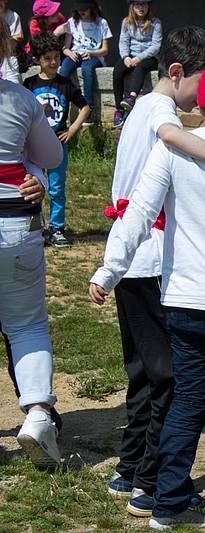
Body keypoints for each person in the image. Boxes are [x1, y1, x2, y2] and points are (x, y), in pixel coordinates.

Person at [90, 59, 205, 531]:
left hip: (186, 299)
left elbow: (136, 214)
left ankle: (169, 503)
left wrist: (109, 271)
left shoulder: (169, 152)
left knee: (187, 403)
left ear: (201, 106)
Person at [0, 29, 64, 469]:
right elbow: (52, 157)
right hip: (14, 222)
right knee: (26, 324)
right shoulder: (21, 100)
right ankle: (39, 413)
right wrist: (33, 173)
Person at [24, 31, 91, 247]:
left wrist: (72, 129)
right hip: (33, 146)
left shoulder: (65, 83)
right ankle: (34, 228)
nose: (53, 62)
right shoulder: (29, 84)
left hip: (57, 146)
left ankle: (56, 228)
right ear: (37, 59)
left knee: (56, 189)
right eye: (48, 58)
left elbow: (85, 107)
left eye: (56, 57)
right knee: (33, 187)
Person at [112, 0, 162, 128]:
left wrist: (139, 58)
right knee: (117, 71)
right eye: (137, 5)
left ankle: (131, 97)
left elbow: (155, 46)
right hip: (130, 56)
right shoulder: (126, 22)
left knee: (141, 68)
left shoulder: (155, 23)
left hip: (149, 57)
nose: (141, 8)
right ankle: (119, 109)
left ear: (148, 6)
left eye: (144, 4)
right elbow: (123, 42)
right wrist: (125, 57)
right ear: (132, 7)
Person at [58, 0, 111, 118]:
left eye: (84, 9)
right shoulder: (72, 22)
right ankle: (61, 102)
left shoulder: (102, 23)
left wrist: (91, 53)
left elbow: (105, 50)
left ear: (91, 7)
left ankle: (88, 107)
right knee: (64, 70)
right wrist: (69, 53)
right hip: (75, 53)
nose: (81, 12)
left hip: (94, 55)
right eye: (79, 9)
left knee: (87, 69)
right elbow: (65, 47)